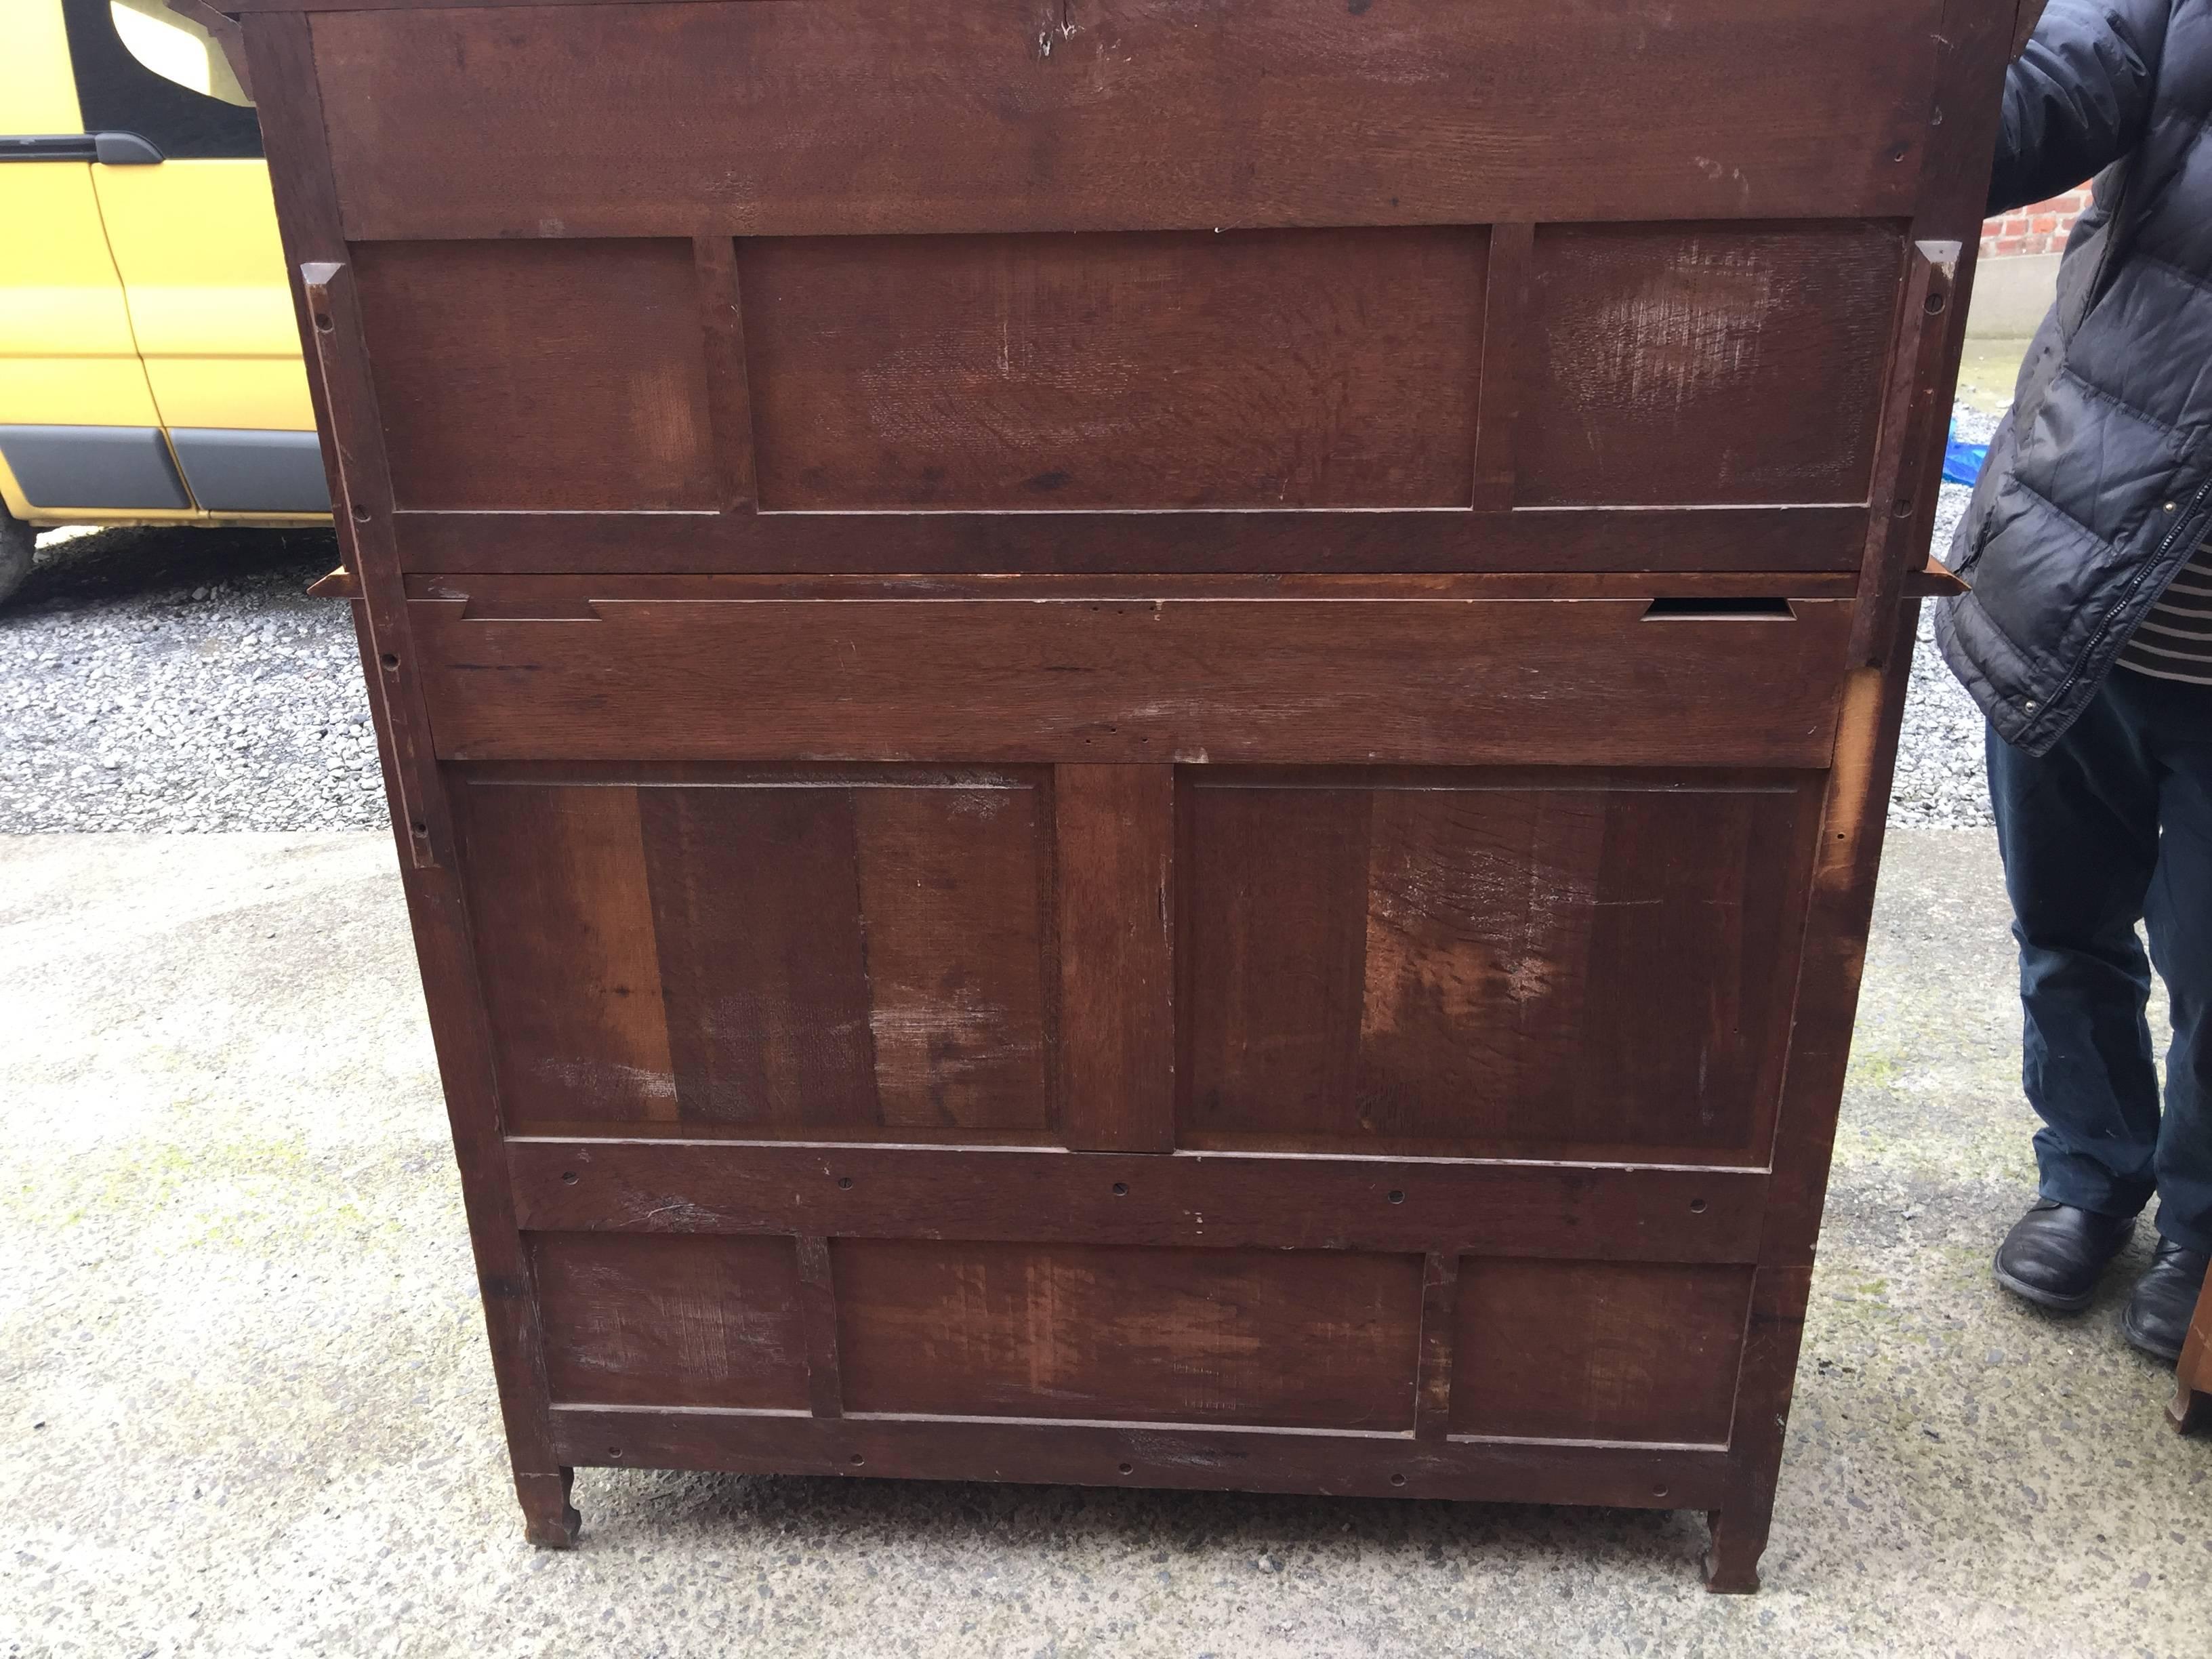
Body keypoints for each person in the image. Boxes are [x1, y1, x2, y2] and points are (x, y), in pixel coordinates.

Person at [1937, 0, 2210, 1362]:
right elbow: (2020, 110)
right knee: (2067, 923)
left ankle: (2206, 1229)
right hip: (2085, 571)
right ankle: (2092, 1174)